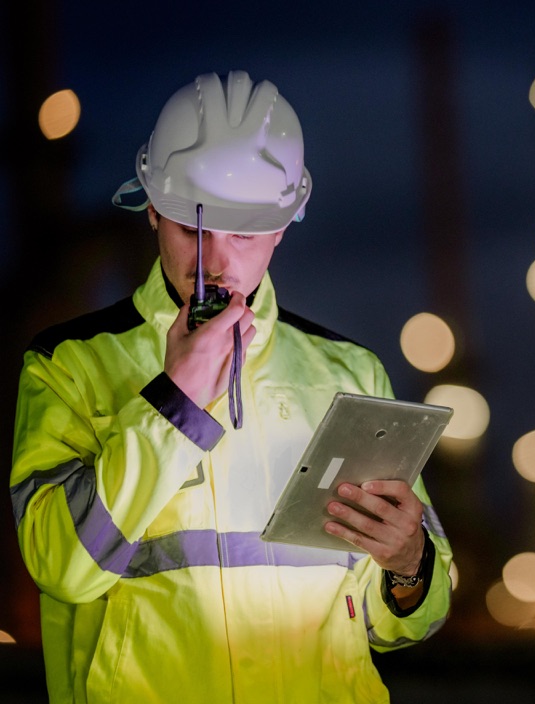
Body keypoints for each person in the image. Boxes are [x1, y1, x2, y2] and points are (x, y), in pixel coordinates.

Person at [9, 70, 453, 703]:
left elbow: (404, 621)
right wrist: (175, 402)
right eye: (193, 229)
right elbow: (62, 571)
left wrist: (407, 566)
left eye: (243, 233)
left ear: (283, 225)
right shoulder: (69, 365)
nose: (215, 262)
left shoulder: (350, 373)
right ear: (153, 211)